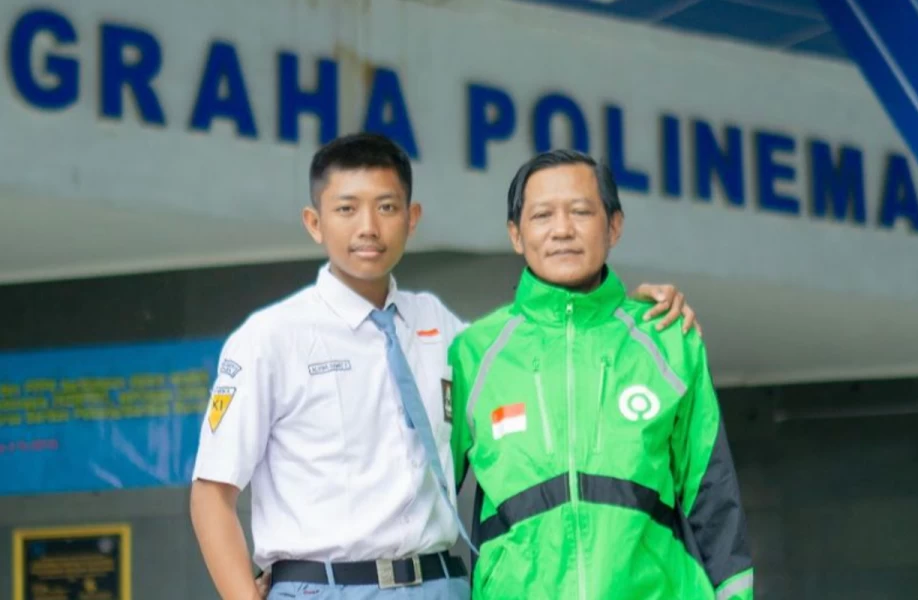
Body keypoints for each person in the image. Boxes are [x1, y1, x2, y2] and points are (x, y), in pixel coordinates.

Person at [189, 133, 703, 600]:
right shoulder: (271, 338)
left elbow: (533, 348)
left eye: (386, 207)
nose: (368, 227)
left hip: (441, 585)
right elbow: (212, 493)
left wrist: (622, 315)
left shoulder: (444, 330)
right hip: (326, 586)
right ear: (314, 223)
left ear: (411, 219)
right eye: (346, 208)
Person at [449, 149, 753, 600]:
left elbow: (713, 495)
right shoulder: (472, 354)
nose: (562, 230)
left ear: (614, 226)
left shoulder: (668, 338)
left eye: (581, 212)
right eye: (542, 215)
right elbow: (422, 502)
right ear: (516, 234)